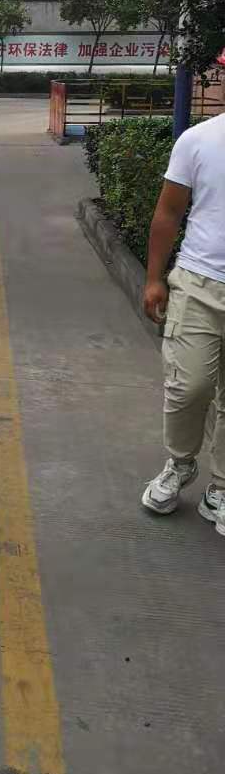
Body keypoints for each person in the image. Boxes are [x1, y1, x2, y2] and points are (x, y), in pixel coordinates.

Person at [141, 87, 225, 536]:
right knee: (188, 387)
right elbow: (169, 212)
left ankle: (221, 489)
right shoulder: (198, 140)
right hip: (198, 282)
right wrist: (154, 278)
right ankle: (180, 463)